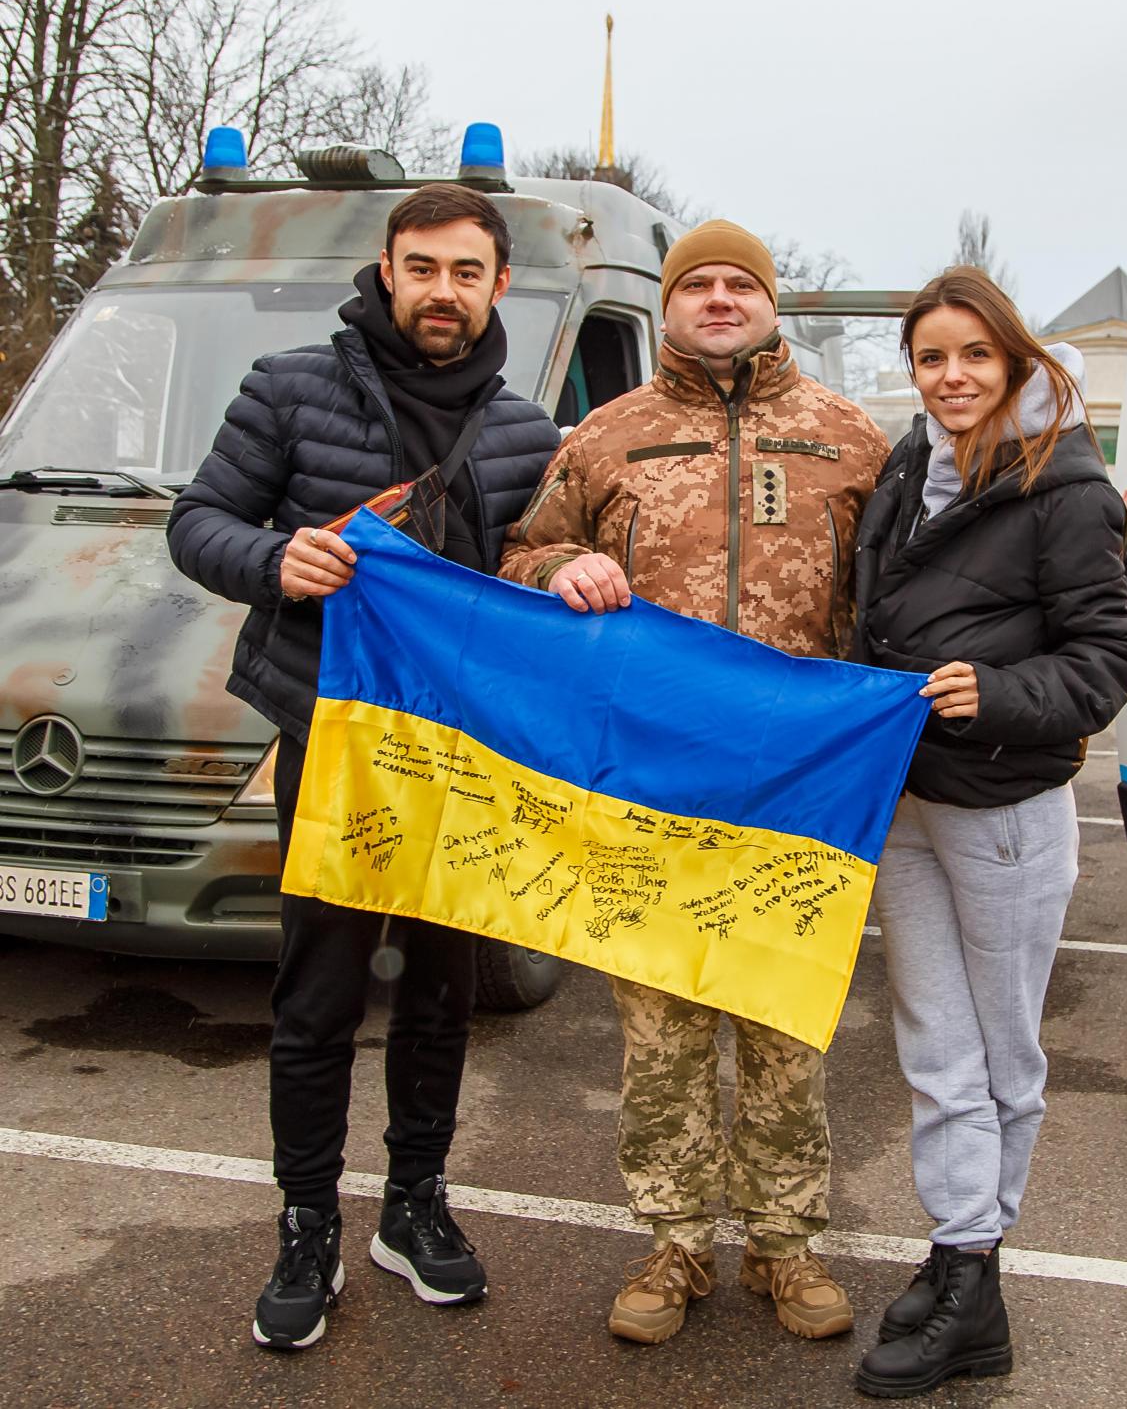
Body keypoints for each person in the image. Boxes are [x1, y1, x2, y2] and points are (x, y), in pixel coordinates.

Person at [167, 185, 560, 1350]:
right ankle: (305, 1222)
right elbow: (198, 521)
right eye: (425, 267)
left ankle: (414, 1205)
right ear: (388, 271)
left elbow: (538, 570)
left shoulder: (529, 432)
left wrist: (571, 573)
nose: (446, 290)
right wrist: (273, 559)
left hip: (460, 760)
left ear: (499, 286)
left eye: (468, 272)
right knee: (321, 994)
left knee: (443, 992)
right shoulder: (291, 387)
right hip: (330, 742)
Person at [500, 218, 890, 1346]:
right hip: (650, 788)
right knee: (661, 1028)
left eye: (740, 284)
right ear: (668, 307)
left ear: (771, 303)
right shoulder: (610, 435)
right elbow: (522, 554)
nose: (720, 300)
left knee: (782, 1023)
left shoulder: (849, 437)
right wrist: (558, 562)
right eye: (698, 285)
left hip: (795, 789)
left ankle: (786, 1246)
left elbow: (900, 593)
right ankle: (674, 1245)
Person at [850, 267, 1127, 1398]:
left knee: (1002, 1049)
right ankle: (959, 1247)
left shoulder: (1062, 486)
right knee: (935, 1040)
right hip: (910, 800)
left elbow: (1105, 658)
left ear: (1014, 359)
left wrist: (1002, 695)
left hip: (1007, 804)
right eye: (932, 357)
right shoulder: (908, 464)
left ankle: (975, 1274)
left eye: (975, 354)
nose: (953, 376)